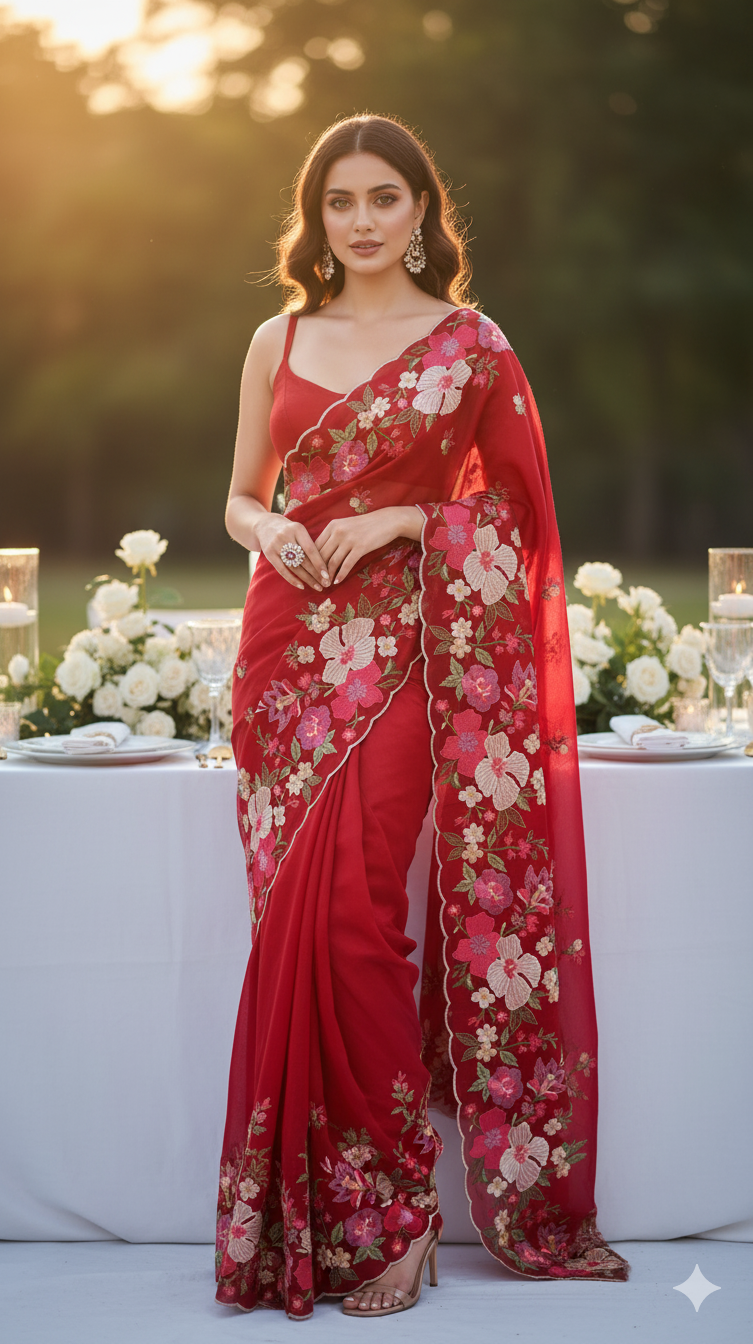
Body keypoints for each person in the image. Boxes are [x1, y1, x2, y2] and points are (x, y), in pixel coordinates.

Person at [216, 114, 629, 1321]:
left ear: (420, 213)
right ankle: (304, 1214)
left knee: (356, 921)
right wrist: (276, 530)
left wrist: (404, 524)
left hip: (405, 654)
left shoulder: (469, 345)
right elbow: (240, 497)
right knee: (295, 922)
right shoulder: (277, 337)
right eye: (339, 201)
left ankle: (401, 1218)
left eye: (383, 198)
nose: (360, 221)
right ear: (315, 217)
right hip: (283, 656)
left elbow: (520, 523)